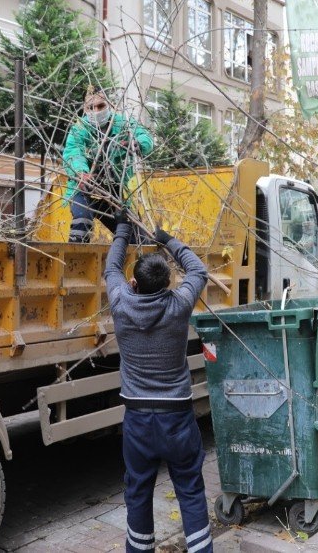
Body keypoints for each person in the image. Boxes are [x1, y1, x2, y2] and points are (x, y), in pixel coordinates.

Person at [104, 212, 213, 553]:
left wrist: (122, 230)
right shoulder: (179, 304)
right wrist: (168, 240)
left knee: (137, 490)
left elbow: (111, 269)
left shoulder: (121, 304)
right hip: (177, 418)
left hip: (137, 420)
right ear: (168, 285)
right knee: (190, 489)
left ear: (133, 284)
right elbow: (198, 271)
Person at [62, 89, 153, 243]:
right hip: (85, 188)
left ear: (109, 105)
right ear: (85, 109)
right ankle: (76, 261)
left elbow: (145, 136)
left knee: (135, 235)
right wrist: (82, 173)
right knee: (82, 222)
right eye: (91, 107)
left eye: (100, 106)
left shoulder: (123, 124)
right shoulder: (79, 129)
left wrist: (136, 144)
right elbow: (73, 153)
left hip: (113, 191)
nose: (96, 111)